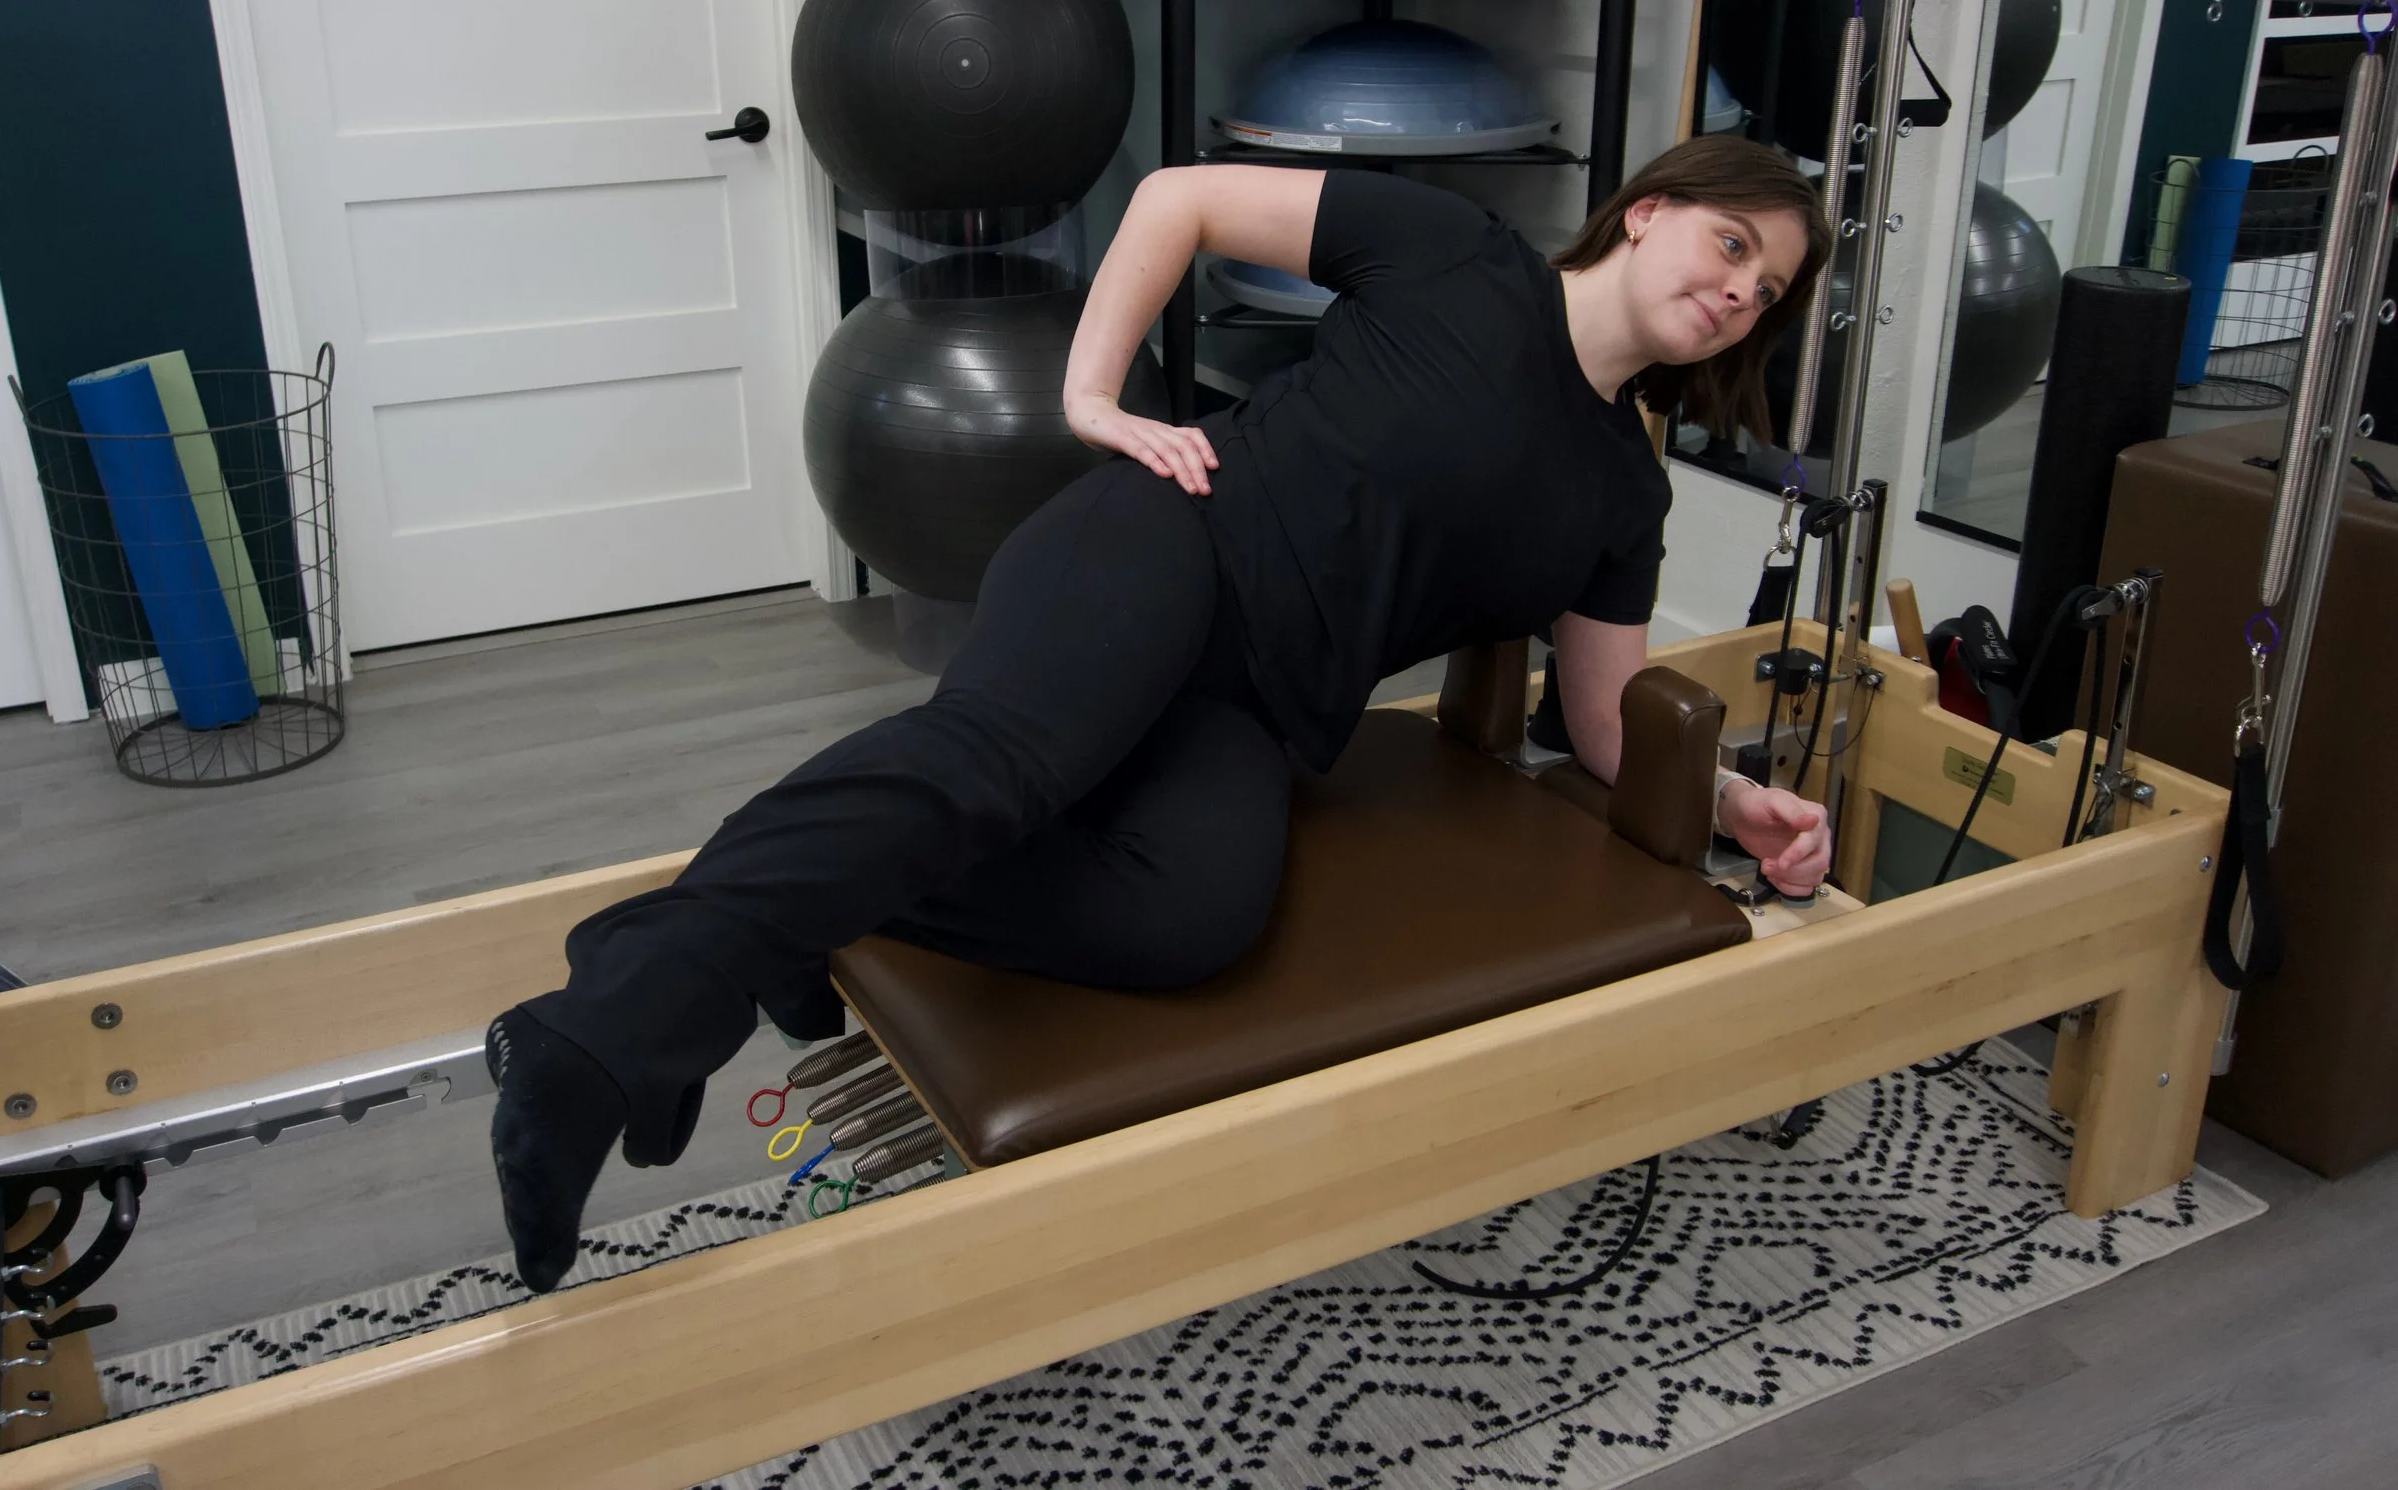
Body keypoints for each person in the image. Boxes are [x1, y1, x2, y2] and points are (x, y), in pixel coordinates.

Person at [485, 136, 1838, 1292]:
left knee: (1187, 919)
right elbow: (1179, 198)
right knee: (1007, 766)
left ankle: (763, 894)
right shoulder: (1460, 255)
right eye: (1728, 244)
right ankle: (595, 1040)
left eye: (1763, 290)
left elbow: (1600, 726)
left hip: (1253, 706)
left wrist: (1732, 795)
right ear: (1648, 209)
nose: (1734, 290)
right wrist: (1088, 397)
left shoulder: (1624, 496)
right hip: (1166, 539)